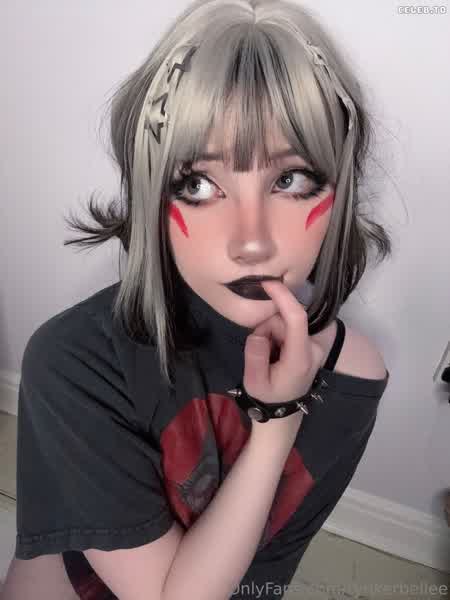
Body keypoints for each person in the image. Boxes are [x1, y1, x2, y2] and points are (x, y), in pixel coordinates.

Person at [1, 0, 392, 598]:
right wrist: (277, 422)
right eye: (198, 184)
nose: (252, 242)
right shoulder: (71, 360)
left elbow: (262, 574)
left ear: (340, 189)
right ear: (151, 191)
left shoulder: (352, 374)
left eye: (289, 180)